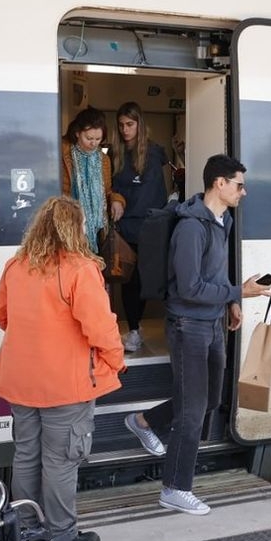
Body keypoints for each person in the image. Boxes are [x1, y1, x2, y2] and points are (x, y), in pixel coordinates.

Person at [123, 154, 271, 515]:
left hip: (212, 322)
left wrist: (230, 303)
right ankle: (175, 488)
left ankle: (143, 421)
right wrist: (240, 293)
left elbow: (215, 272)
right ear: (219, 184)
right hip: (188, 325)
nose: (243, 191)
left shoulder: (225, 220)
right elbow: (189, 287)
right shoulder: (191, 228)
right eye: (238, 184)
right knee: (192, 412)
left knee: (207, 401)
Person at [0, 195, 127, 541]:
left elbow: (2, 316)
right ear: (74, 229)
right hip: (65, 387)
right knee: (60, 463)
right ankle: (61, 538)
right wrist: (116, 361)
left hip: (20, 382)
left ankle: (25, 529)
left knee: (25, 456)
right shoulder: (80, 270)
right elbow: (100, 329)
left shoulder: (16, 266)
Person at [111, 101, 170, 353]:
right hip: (125, 228)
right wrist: (114, 199)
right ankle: (134, 329)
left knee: (155, 279)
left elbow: (166, 186)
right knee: (130, 282)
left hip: (152, 226)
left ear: (139, 124)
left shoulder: (157, 152)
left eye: (130, 124)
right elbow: (109, 187)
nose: (125, 130)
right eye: (122, 125)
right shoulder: (115, 154)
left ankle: (171, 325)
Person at [61, 106, 126, 252]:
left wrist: (117, 200)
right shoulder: (62, 153)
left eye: (98, 139)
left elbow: (106, 191)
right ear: (77, 133)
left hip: (96, 230)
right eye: (89, 138)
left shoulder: (103, 160)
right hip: (69, 226)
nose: (93, 143)